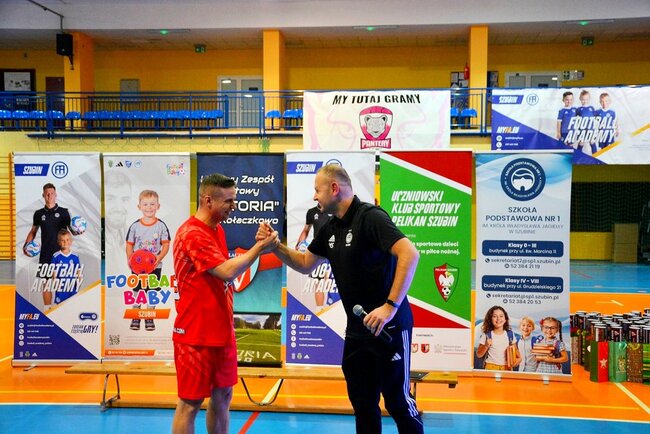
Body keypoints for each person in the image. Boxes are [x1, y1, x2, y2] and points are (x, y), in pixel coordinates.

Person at [258, 164, 423, 434]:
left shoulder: (371, 217)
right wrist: (275, 246)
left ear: (334, 188)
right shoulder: (330, 228)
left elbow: (410, 254)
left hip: (389, 329)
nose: (314, 196)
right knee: (363, 405)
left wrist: (389, 307)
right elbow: (304, 263)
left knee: (398, 403)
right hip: (357, 334)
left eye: (317, 190)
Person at [171, 173, 278, 434]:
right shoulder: (191, 233)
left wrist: (259, 245)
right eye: (228, 201)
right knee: (190, 404)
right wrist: (259, 248)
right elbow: (227, 272)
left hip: (221, 331)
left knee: (223, 396)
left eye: (234, 199)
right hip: (195, 335)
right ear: (208, 200)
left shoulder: (217, 229)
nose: (234, 206)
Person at [125, 189, 171, 331]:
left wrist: (159, 257)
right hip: (137, 267)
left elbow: (166, 244)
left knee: (152, 292)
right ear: (139, 206)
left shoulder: (161, 225)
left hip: (155, 266)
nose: (149, 207)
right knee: (137, 291)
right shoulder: (135, 226)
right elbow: (129, 245)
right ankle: (136, 316)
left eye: (152, 204)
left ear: (158, 206)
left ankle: (149, 317)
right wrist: (130, 259)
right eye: (145, 204)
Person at [23, 183, 72, 311]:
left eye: (52, 193)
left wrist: (78, 231)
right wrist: (26, 246)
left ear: (56, 194)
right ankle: (47, 310)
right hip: (46, 254)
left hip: (62, 253)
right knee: (46, 283)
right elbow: (33, 231)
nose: (49, 196)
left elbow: (72, 230)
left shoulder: (64, 212)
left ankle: (64, 310)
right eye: (47, 193)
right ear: (43, 195)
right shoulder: (38, 214)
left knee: (63, 283)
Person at [296, 205, 334, 309]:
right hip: (318, 251)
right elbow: (306, 230)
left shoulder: (334, 209)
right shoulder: (311, 212)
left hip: (334, 250)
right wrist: (299, 243)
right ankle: (320, 310)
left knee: (333, 282)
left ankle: (337, 310)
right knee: (319, 282)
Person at [104, 170, 132, 273]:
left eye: (124, 199)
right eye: (110, 199)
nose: (119, 208)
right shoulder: (91, 239)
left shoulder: (131, 235)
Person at [475, 305, 520, 371]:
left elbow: (517, 353)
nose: (498, 319)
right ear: (490, 319)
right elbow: (479, 354)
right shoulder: (487, 335)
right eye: (495, 316)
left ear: (505, 319)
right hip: (491, 367)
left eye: (501, 316)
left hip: (507, 368)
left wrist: (518, 359)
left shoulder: (510, 334)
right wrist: (486, 346)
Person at [576, 89, 596, 154]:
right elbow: (574, 117)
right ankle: (578, 157)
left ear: (589, 99)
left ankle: (596, 156)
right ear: (580, 99)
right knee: (581, 142)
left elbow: (596, 117)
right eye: (583, 99)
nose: (585, 101)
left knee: (592, 142)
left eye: (586, 99)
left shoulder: (591, 108)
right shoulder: (579, 109)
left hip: (590, 128)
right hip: (582, 129)